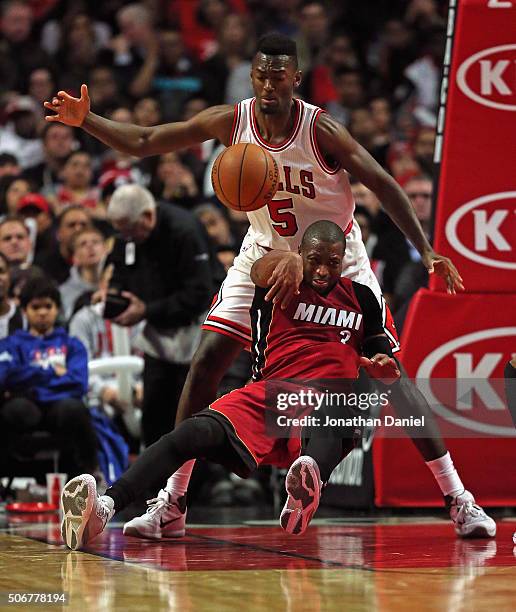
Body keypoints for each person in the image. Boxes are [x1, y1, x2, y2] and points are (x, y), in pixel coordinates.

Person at [44, 33, 494, 540]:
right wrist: (88, 122)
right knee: (207, 359)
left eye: (278, 78)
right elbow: (148, 141)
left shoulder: (321, 129)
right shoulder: (232, 121)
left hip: (333, 256)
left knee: (393, 377)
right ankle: (173, 500)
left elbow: (384, 183)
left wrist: (426, 248)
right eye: (260, 76)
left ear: (294, 80)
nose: (267, 87)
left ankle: (458, 497)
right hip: (265, 250)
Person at [60, 221, 401, 549]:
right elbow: (258, 271)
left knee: (343, 405)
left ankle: (309, 479)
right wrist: (291, 260)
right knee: (189, 434)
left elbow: (382, 355)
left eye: (333, 262)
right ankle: (104, 507)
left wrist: (383, 365)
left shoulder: (364, 298)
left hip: (324, 400)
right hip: (269, 394)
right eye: (315, 260)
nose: (324, 270)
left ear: (346, 259)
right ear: (301, 254)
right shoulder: (280, 279)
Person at [103, 184, 216, 445]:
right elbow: (121, 268)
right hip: (156, 332)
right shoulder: (127, 234)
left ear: (147, 216)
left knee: (187, 415)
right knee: (153, 415)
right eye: (121, 232)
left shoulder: (184, 231)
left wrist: (147, 310)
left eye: (130, 231)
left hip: (194, 330)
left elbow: (199, 292)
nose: (126, 238)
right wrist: (116, 295)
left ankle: (194, 484)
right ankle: (150, 481)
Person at [0, 277, 96, 479]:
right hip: (26, 406)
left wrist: (28, 378)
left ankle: (86, 476)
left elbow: (78, 382)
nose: (42, 312)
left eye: (48, 306)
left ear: (57, 309)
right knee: (15, 410)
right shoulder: (11, 344)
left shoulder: (72, 344)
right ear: (25, 311)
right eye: (36, 307)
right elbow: (6, 377)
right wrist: (52, 372)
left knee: (73, 409)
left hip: (59, 407)